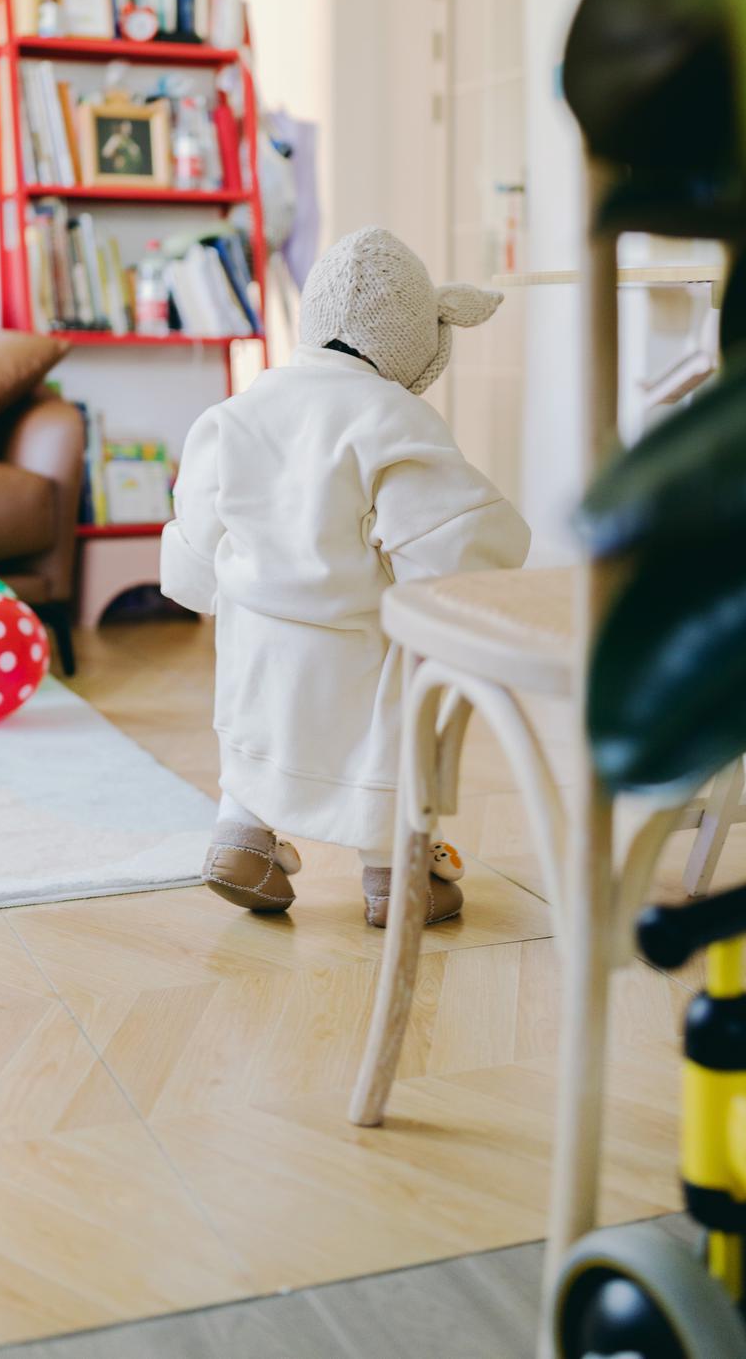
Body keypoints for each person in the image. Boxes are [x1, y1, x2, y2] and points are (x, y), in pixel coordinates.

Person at [160, 226, 530, 927]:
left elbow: (200, 525)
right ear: (411, 341)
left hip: (255, 638)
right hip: (357, 642)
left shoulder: (238, 411)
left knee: (256, 739)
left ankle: (241, 841)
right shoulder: (394, 419)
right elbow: (445, 536)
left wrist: (207, 584)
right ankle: (395, 877)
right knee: (380, 752)